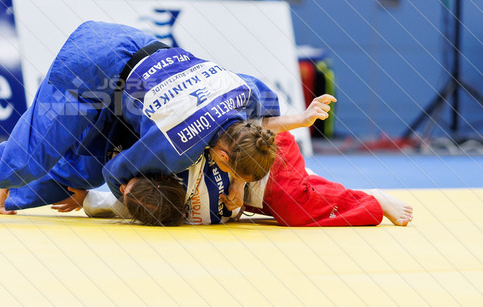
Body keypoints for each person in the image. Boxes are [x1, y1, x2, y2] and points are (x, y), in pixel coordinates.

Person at [0, 20, 297, 223]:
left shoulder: (243, 93)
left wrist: (301, 119)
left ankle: (8, 186)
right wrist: (92, 197)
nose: (232, 181)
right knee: (35, 161)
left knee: (82, 166)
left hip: (129, 47)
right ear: (223, 158)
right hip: (92, 69)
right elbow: (116, 173)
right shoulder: (180, 144)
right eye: (233, 174)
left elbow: (268, 114)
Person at [56, 97, 414, 228]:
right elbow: (104, 203)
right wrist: (83, 197)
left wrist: (240, 184)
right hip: (255, 183)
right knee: (282, 204)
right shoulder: (134, 204)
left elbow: (249, 132)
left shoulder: (176, 153)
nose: (121, 188)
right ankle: (311, 183)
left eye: (124, 186)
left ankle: (372, 201)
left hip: (259, 154)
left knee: (291, 209)